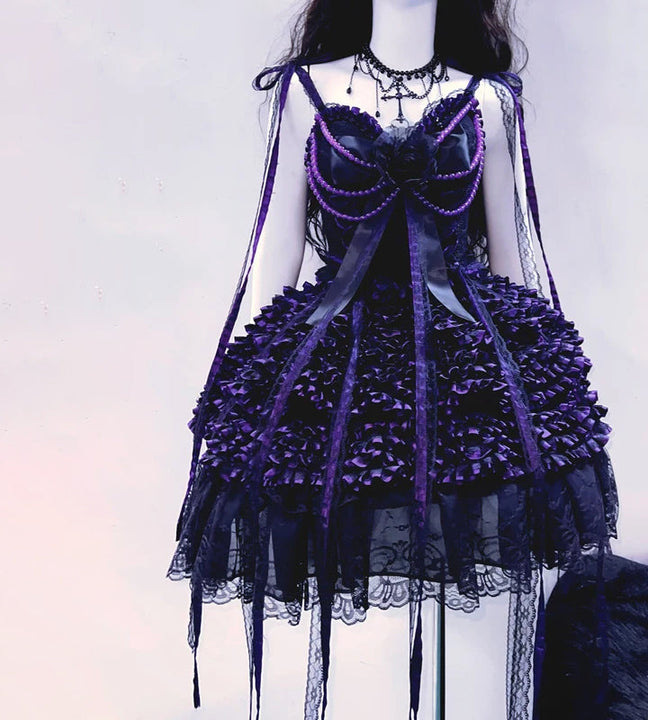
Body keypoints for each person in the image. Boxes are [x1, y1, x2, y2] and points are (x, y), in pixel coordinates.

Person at [166, 1, 619, 718]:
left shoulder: (488, 101)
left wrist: (541, 378)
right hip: (339, 355)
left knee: (461, 545)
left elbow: (513, 256)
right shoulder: (306, 91)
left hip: (462, 359)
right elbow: (277, 250)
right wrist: (245, 384)